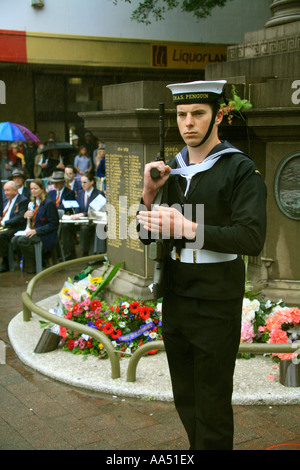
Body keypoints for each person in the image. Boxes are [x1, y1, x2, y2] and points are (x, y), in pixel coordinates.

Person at [137, 80, 267, 450]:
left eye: (198, 113)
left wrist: (187, 227)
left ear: (219, 116)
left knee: (211, 403)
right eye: (181, 114)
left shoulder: (238, 169)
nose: (188, 123)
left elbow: (250, 238)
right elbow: (146, 235)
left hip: (215, 296)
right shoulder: (171, 170)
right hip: (178, 293)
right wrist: (148, 195)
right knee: (187, 399)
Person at [11, 179, 59, 273]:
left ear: (42, 189)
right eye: (31, 189)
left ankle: (36, 262)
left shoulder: (48, 203)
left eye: (35, 189)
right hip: (33, 230)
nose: (33, 191)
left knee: (22, 240)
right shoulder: (32, 203)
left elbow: (53, 224)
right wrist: (26, 216)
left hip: (46, 234)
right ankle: (30, 262)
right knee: (14, 240)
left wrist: (36, 231)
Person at [61, 170, 103, 258]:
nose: (82, 184)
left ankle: (85, 253)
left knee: (85, 229)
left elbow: (95, 210)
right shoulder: (80, 193)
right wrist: (76, 214)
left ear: (92, 182)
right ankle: (69, 252)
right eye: (81, 182)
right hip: (79, 220)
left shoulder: (99, 194)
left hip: (92, 222)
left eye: (85, 182)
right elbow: (78, 208)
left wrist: (83, 214)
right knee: (65, 226)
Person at [0, 181, 28, 272]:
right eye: (4, 190)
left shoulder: (23, 200)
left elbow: (20, 218)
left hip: (16, 227)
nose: (5, 193)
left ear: (15, 191)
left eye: (8, 190)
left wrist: (4, 223)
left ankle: (5, 262)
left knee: (2, 235)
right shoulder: (5, 200)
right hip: (4, 225)